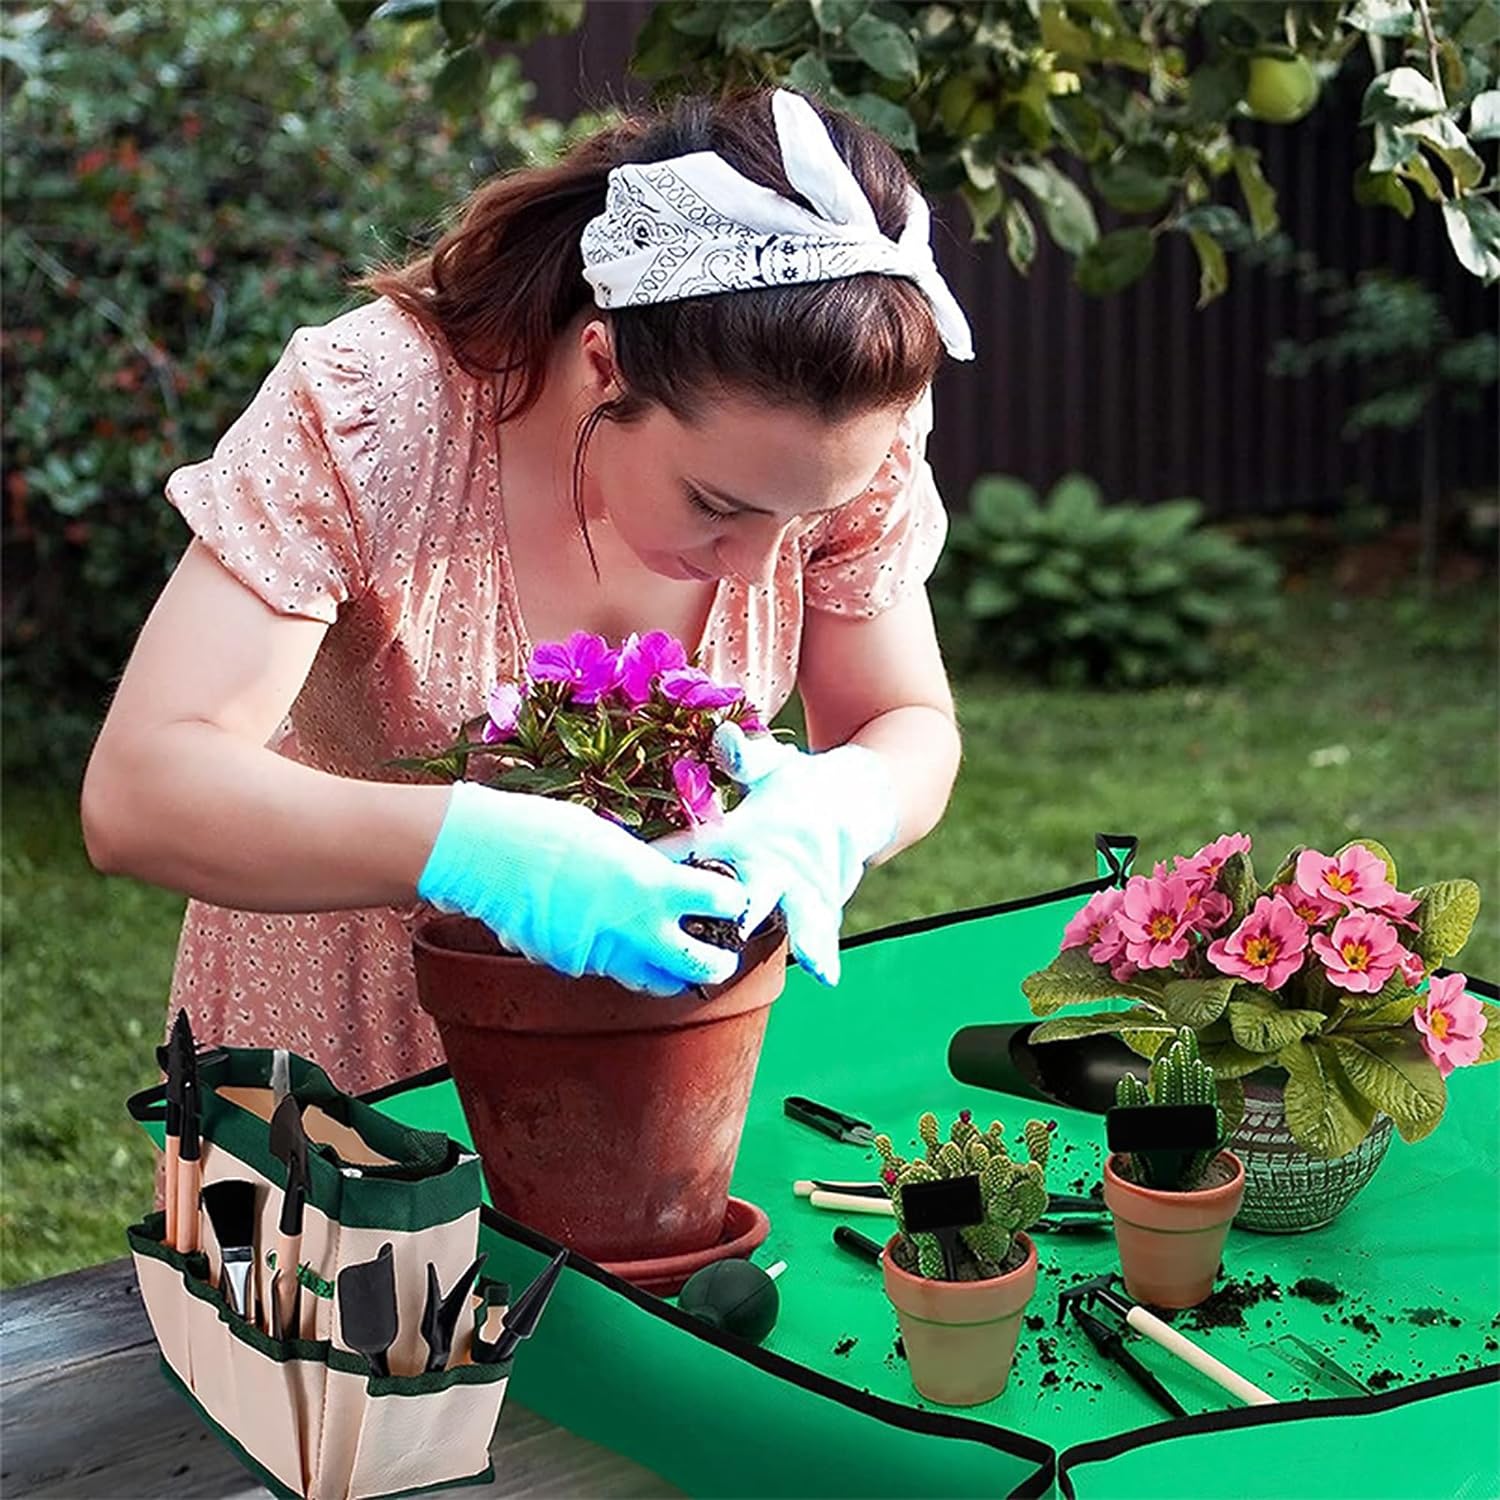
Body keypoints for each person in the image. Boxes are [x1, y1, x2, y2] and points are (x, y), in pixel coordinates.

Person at [81, 88, 970, 1098]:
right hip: (351, 1051)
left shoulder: (837, 439)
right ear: (603, 364)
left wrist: (849, 804)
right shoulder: (376, 411)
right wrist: (475, 852)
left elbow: (903, 720)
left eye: (802, 522)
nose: (760, 569)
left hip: (662, 1043)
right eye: (717, 504)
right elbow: (141, 791)